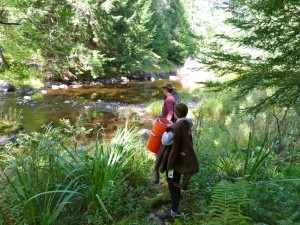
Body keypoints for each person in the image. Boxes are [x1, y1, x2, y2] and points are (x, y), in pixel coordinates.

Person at [153, 103, 199, 222]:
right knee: (176, 182)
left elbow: (166, 140)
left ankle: (172, 214)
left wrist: (164, 131)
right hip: (181, 161)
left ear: (175, 113)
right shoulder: (187, 123)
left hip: (173, 163)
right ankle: (176, 205)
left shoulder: (177, 127)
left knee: (172, 184)